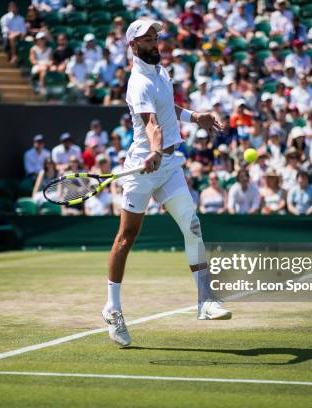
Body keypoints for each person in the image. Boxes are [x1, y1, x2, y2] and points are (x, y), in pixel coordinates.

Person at [103, 18, 229, 347]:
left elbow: (166, 108)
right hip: (144, 167)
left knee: (193, 225)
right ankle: (112, 308)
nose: (155, 42)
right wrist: (156, 149)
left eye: (155, 36)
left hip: (169, 165)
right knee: (126, 238)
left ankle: (206, 301)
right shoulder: (137, 83)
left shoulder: (160, 72)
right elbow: (153, 124)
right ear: (133, 46)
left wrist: (194, 116)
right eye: (147, 39)